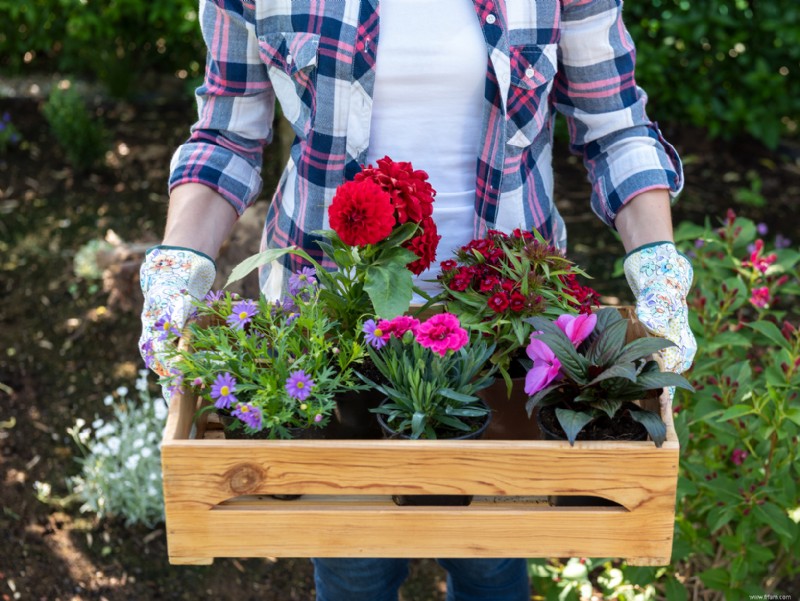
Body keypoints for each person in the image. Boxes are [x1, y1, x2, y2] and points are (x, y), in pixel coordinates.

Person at [139, 1, 697, 599]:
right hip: (331, 323)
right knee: (355, 564)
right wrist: (179, 266)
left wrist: (658, 266)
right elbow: (227, 133)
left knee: (490, 555)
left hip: (506, 329)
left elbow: (614, 126)